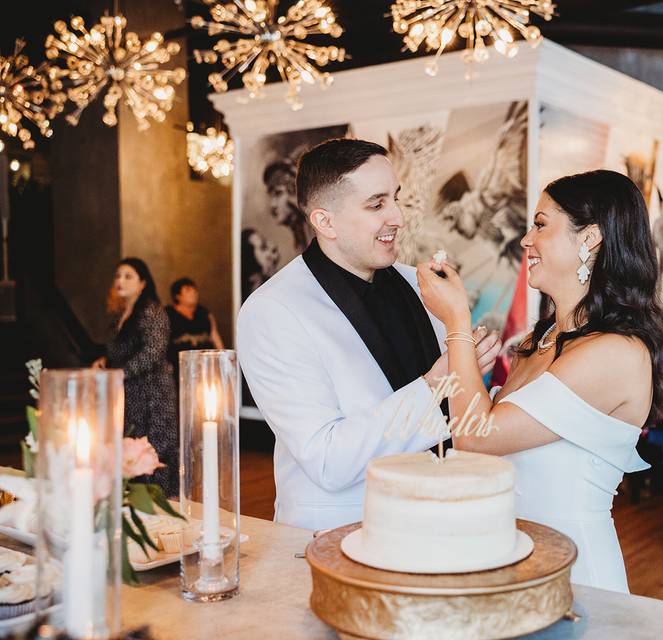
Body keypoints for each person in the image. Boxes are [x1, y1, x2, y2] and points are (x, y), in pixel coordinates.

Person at [416, 169, 663, 593]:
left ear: (590, 238)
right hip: (511, 559)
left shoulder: (616, 351)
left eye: (540, 225)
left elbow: (477, 437)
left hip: (572, 573)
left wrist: (458, 320)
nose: (525, 241)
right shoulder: (543, 338)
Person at [237, 139, 501, 531]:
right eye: (377, 204)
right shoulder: (273, 311)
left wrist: (470, 364)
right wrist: (436, 383)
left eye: (395, 198)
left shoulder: (420, 284)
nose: (398, 216)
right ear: (325, 221)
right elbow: (327, 460)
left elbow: (456, 415)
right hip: (339, 538)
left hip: (440, 523)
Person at [92, 258, 179, 496]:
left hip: (153, 396)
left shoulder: (152, 311)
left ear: (142, 283)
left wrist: (118, 373)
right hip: (129, 395)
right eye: (118, 275)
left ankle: (162, 511)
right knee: (130, 451)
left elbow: (153, 352)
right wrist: (105, 363)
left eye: (128, 276)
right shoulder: (120, 315)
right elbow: (119, 353)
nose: (120, 280)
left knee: (153, 451)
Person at [166, 278, 225, 375]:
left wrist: (223, 359)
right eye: (188, 290)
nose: (193, 292)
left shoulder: (204, 314)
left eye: (195, 290)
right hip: (179, 369)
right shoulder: (168, 314)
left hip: (205, 367)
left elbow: (214, 336)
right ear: (177, 295)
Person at [264, 160, 314, 252]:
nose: (273, 205)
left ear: (295, 193)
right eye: (271, 196)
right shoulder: (300, 239)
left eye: (278, 193)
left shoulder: (315, 234)